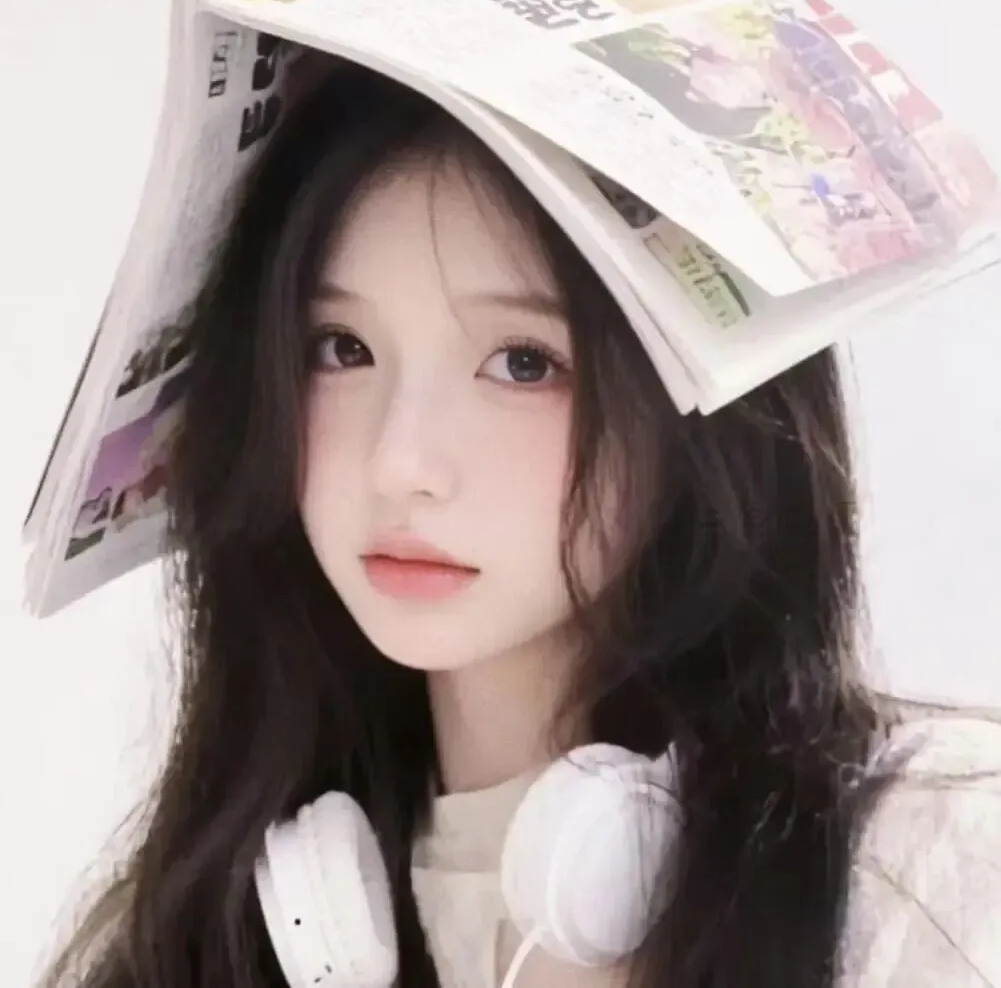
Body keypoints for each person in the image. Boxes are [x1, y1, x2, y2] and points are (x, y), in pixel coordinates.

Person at [36, 60, 1001, 988]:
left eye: (523, 362)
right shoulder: (209, 933)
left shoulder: (931, 875)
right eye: (341, 348)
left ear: (703, 407)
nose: (400, 463)